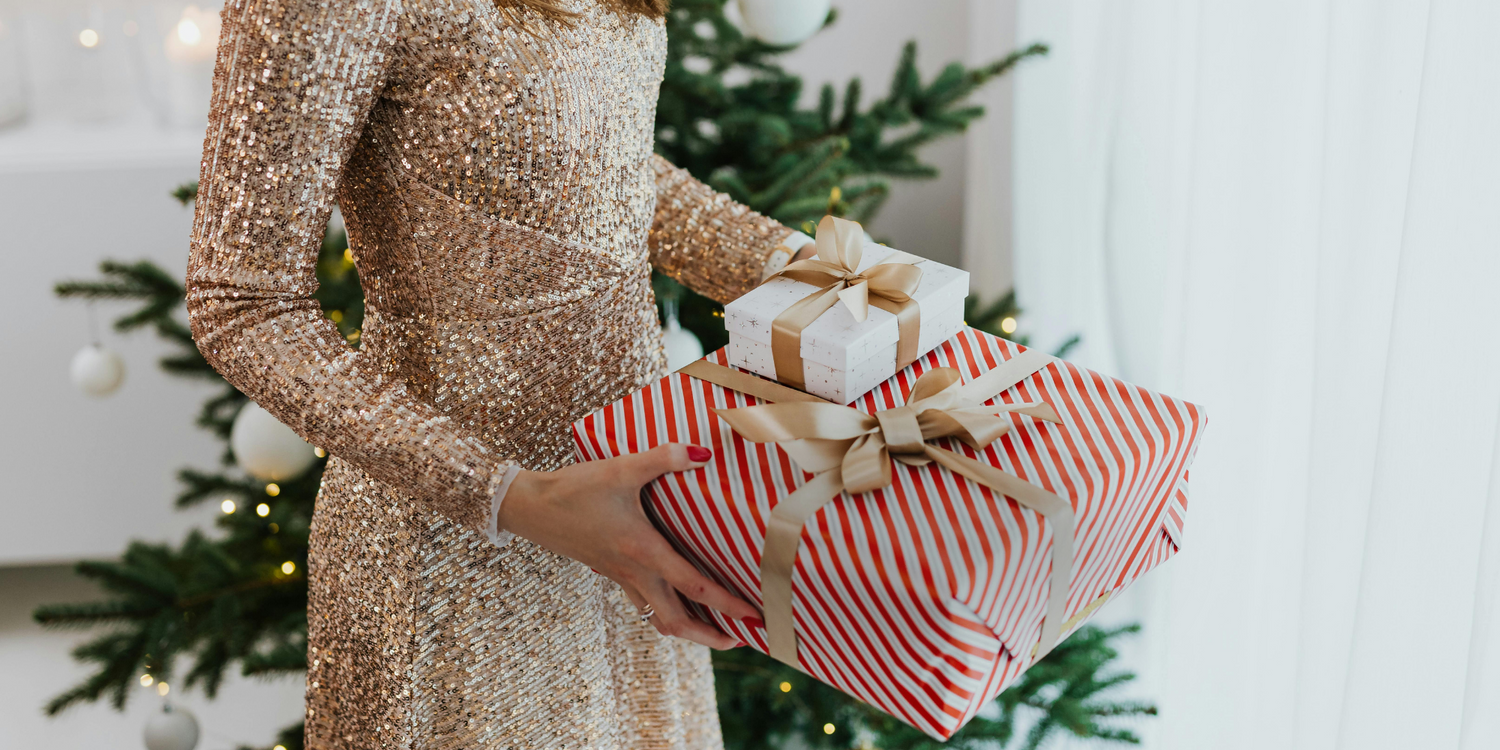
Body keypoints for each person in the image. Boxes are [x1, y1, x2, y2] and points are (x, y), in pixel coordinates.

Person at [185, 0, 814, 747]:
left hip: (627, 505)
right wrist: (510, 495)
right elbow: (242, 303)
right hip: (454, 548)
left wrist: (800, 268)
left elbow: (587, 160)